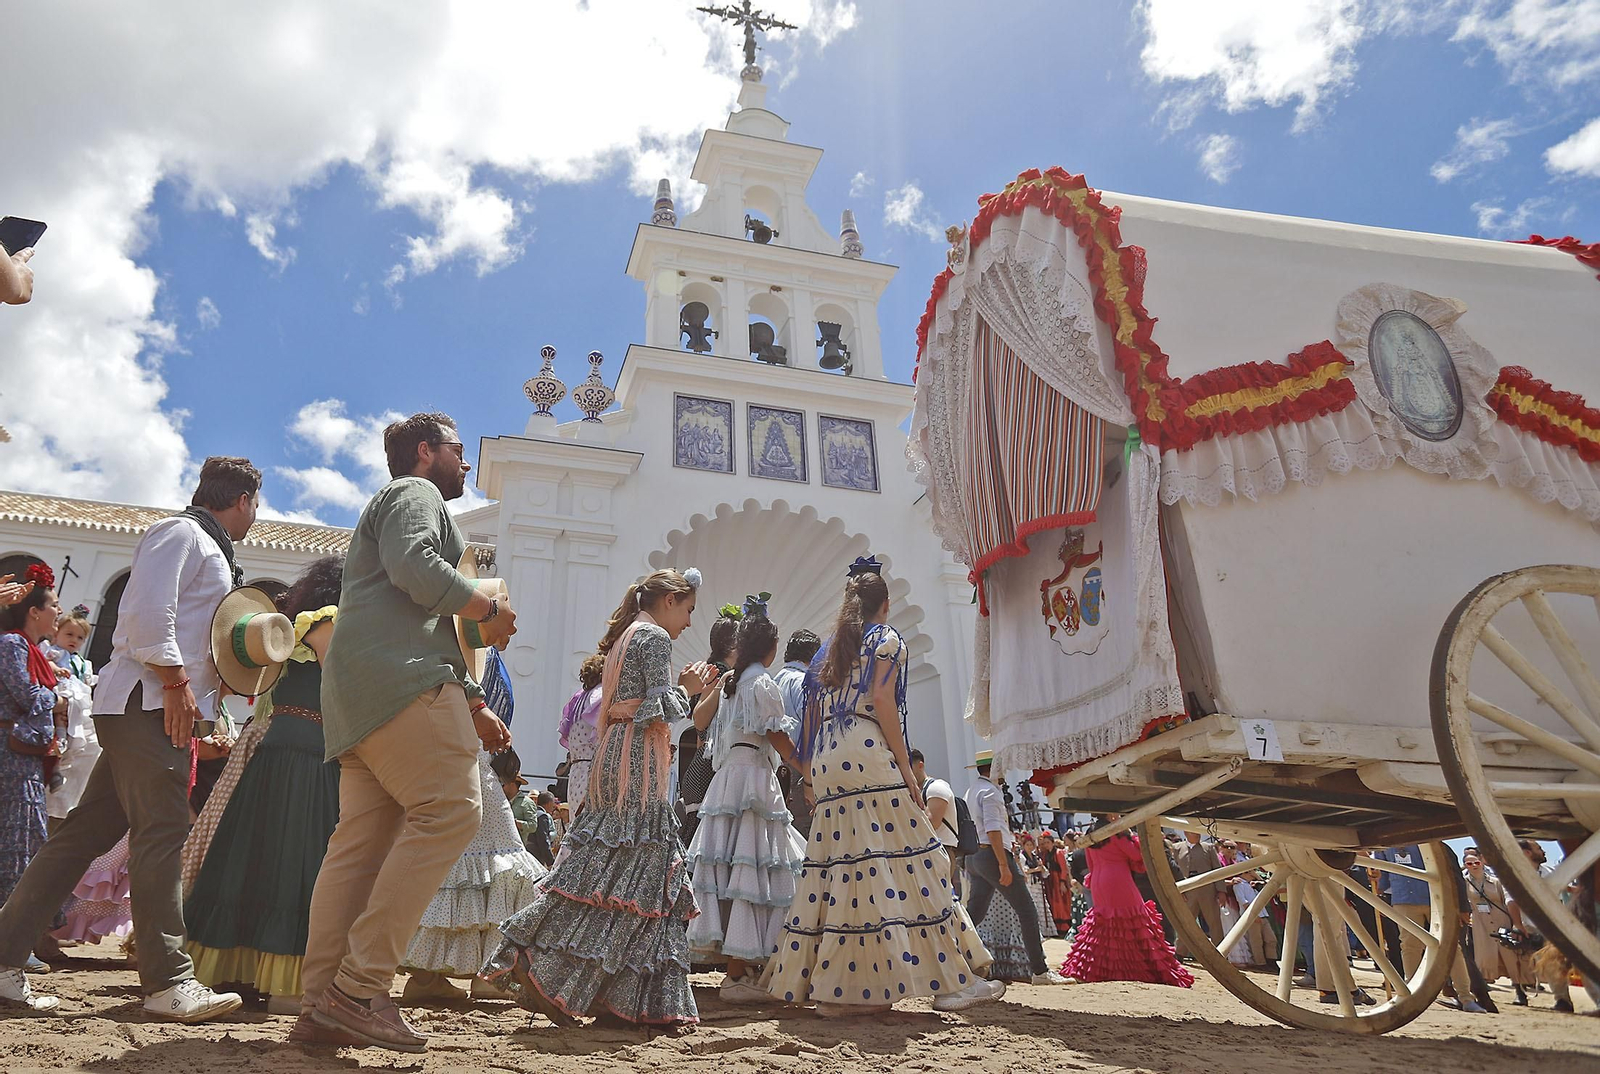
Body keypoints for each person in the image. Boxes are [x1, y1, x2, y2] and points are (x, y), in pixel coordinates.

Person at [0, 458, 261, 1019]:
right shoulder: (182, 532)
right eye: (255, 505)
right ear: (242, 499)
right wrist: (174, 681)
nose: (254, 517)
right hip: (149, 703)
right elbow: (147, 610)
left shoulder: (204, 543)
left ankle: (2, 961)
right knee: (162, 832)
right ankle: (169, 981)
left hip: (147, 704)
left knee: (78, 839)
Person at [296, 414, 515, 1053]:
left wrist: (471, 698)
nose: (465, 463)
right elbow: (416, 568)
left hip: (361, 700)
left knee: (357, 852)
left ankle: (319, 1005)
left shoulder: (396, 505)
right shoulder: (412, 494)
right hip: (403, 686)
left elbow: (425, 617)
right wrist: (486, 606)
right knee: (451, 811)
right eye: (456, 449)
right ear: (425, 453)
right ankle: (358, 989)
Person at [763, 558, 1000, 1016]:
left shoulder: (827, 650)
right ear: (885, 605)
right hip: (866, 750)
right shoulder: (885, 639)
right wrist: (909, 772)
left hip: (829, 759)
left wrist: (809, 771)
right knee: (915, 861)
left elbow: (810, 719)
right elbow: (885, 705)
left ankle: (849, 989)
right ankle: (952, 984)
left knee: (846, 871)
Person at [484, 568, 713, 1028]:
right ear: (669, 600)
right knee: (632, 878)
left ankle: (583, 981)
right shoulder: (652, 639)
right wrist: (687, 691)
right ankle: (553, 967)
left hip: (614, 759)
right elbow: (652, 708)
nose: (689, 622)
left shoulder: (624, 638)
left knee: (605, 874)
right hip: (637, 763)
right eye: (688, 610)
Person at [182, 557, 343, 1015]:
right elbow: (341, 683)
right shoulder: (328, 625)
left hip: (279, 750)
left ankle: (233, 970)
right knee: (297, 863)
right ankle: (288, 986)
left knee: (251, 857)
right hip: (308, 755)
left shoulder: (286, 627)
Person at [684, 602, 806, 1003]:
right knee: (756, 869)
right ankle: (740, 972)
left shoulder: (732, 684)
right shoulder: (760, 683)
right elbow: (777, 736)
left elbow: (702, 724)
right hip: (754, 777)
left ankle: (742, 969)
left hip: (728, 779)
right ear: (769, 648)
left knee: (733, 869)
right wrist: (806, 766)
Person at [0, 565, 64, 980]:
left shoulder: (30, 649)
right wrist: (55, 694)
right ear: (35, 612)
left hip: (23, 756)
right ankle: (12, 943)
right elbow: (22, 692)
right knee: (16, 843)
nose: (58, 613)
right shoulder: (12, 644)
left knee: (23, 840)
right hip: (12, 757)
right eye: (53, 606)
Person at [965, 751, 1067, 985]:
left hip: (975, 856)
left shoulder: (972, 791)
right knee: (1027, 911)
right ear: (995, 769)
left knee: (974, 913)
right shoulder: (991, 792)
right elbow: (993, 829)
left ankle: (953, 957)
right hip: (992, 854)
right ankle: (1040, 971)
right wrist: (1003, 863)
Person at [1059, 816, 1193, 987]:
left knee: (1102, 924)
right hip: (1118, 878)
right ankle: (1139, 968)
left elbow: (1091, 865)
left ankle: (1094, 968)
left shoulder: (1090, 836)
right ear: (1110, 816)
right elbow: (1137, 855)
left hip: (1098, 880)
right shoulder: (1116, 834)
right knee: (1135, 919)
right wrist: (1131, 835)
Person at [1374, 844, 1484, 1013]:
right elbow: (1383, 878)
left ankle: (1465, 997)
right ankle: (1410, 994)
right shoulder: (1383, 847)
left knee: (1452, 947)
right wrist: (1376, 884)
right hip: (1403, 899)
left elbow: (1455, 875)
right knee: (1409, 946)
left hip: (1437, 898)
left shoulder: (1434, 844)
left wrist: (1462, 906)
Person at [678, 611, 737, 845]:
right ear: (733, 644)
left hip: (699, 766)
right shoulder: (722, 675)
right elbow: (703, 722)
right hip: (710, 771)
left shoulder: (708, 669)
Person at [1462, 847, 1532, 1005]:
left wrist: (1516, 923)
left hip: (1502, 922)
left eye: (1476, 862)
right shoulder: (1464, 883)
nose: (1474, 865)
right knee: (1484, 958)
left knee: (1511, 958)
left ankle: (1520, 993)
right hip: (1481, 925)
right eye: (1469, 863)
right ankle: (1482, 994)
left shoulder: (1496, 881)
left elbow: (1509, 900)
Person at [772, 628, 821, 835]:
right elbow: (814, 732)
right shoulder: (804, 683)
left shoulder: (774, 681)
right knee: (804, 839)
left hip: (775, 772)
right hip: (801, 771)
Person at [908, 749, 960, 898]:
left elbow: (932, 822)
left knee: (940, 901)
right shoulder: (918, 790)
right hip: (927, 852)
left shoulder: (937, 787)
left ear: (920, 765)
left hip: (940, 851)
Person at [558, 655, 604, 817]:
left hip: (576, 770)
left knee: (575, 821)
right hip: (592, 771)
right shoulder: (600, 696)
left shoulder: (578, 698)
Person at [1174, 832, 1225, 960]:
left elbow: (1217, 870)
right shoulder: (1177, 848)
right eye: (1193, 832)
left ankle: (1220, 953)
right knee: (1185, 922)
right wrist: (1178, 890)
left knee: (1214, 922)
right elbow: (1173, 871)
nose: (1197, 834)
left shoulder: (1209, 848)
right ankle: (1180, 953)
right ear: (1186, 833)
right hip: (1187, 890)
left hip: (1207, 890)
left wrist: (1221, 890)